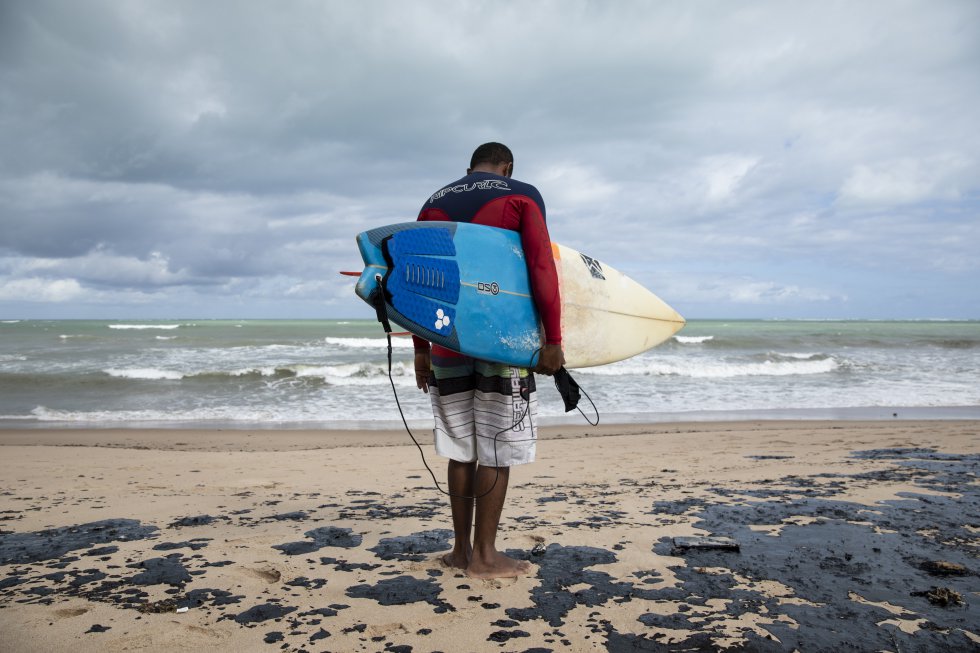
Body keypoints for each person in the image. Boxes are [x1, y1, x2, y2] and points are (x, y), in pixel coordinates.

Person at [413, 142, 564, 579]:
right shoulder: (521, 193)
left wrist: (420, 350)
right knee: (496, 448)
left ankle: (460, 551)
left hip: (445, 339)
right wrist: (552, 339)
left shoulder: (432, 202)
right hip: (502, 342)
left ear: (468, 169)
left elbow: (419, 278)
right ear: (507, 167)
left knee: (461, 450)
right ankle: (485, 556)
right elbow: (540, 265)